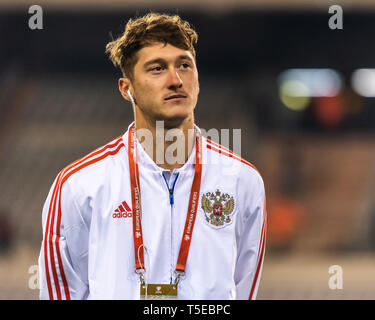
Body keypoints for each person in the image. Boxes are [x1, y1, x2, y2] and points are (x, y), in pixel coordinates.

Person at [38, 12, 266, 300]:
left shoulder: (243, 181)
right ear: (127, 88)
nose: (175, 80)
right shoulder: (79, 185)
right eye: (157, 69)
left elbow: (243, 288)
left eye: (184, 65)